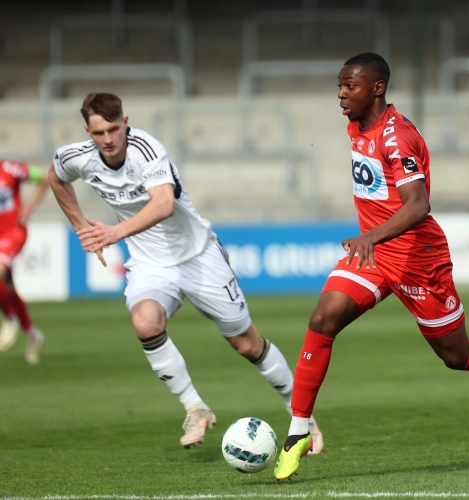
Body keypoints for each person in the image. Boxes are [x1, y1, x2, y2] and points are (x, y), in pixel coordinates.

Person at [273, 53, 469, 480]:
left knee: (457, 355)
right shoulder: (357, 126)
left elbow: (418, 205)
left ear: (377, 88)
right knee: (323, 318)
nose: (341, 94)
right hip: (375, 256)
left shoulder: (396, 137)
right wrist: (371, 242)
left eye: (350, 86)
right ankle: (297, 431)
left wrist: (370, 236)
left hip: (418, 260)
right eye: (340, 86)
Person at [48, 92, 323, 450]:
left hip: (198, 256)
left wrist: (114, 232)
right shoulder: (76, 157)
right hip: (150, 263)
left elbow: (163, 203)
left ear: (125, 122)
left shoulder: (147, 150)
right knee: (145, 322)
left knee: (246, 344)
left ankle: (301, 416)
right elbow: (56, 178)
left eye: (114, 129)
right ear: (88, 131)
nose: (109, 140)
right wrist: (81, 227)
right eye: (99, 133)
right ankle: (195, 407)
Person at [0, 159, 49, 364]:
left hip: (13, 232)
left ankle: (10, 318)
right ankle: (33, 334)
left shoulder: (10, 168)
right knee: (8, 288)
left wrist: (28, 208)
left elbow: (44, 179)